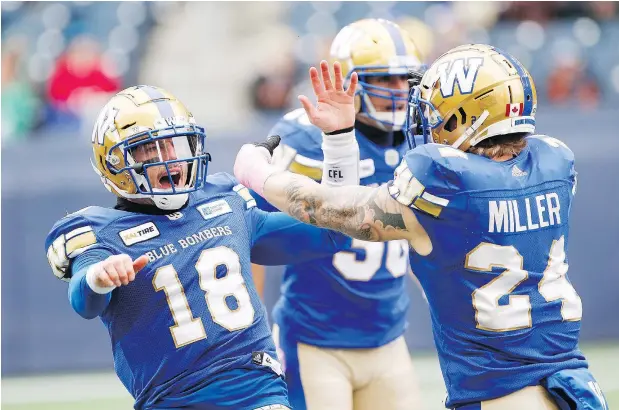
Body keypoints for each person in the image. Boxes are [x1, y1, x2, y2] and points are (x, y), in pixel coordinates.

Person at [235, 44, 609, 409]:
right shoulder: (554, 161)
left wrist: (261, 174)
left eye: (437, 111)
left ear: (466, 115)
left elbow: (337, 212)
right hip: (572, 384)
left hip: (499, 392)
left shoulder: (447, 180)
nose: (427, 120)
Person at [44, 79, 359, 410]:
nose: (171, 161)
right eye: (151, 150)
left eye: (175, 146)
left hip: (256, 393)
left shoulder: (225, 201)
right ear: (115, 162)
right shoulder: (100, 231)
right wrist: (98, 277)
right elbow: (84, 300)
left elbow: (333, 230)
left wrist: (339, 142)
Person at [250, 18, 425, 410]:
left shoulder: (422, 139)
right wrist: (255, 328)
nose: (399, 91)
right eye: (386, 80)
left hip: (389, 338)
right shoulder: (304, 136)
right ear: (350, 81)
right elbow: (248, 234)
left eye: (405, 79)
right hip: (316, 341)